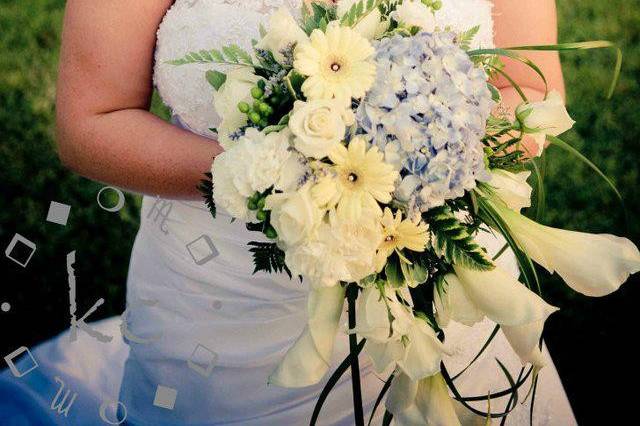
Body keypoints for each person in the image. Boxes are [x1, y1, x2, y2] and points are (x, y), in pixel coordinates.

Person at [0, 1, 576, 424]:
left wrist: (408, 167)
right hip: (220, 299)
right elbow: (91, 122)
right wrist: (287, 177)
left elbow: (532, 90)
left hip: (431, 263)